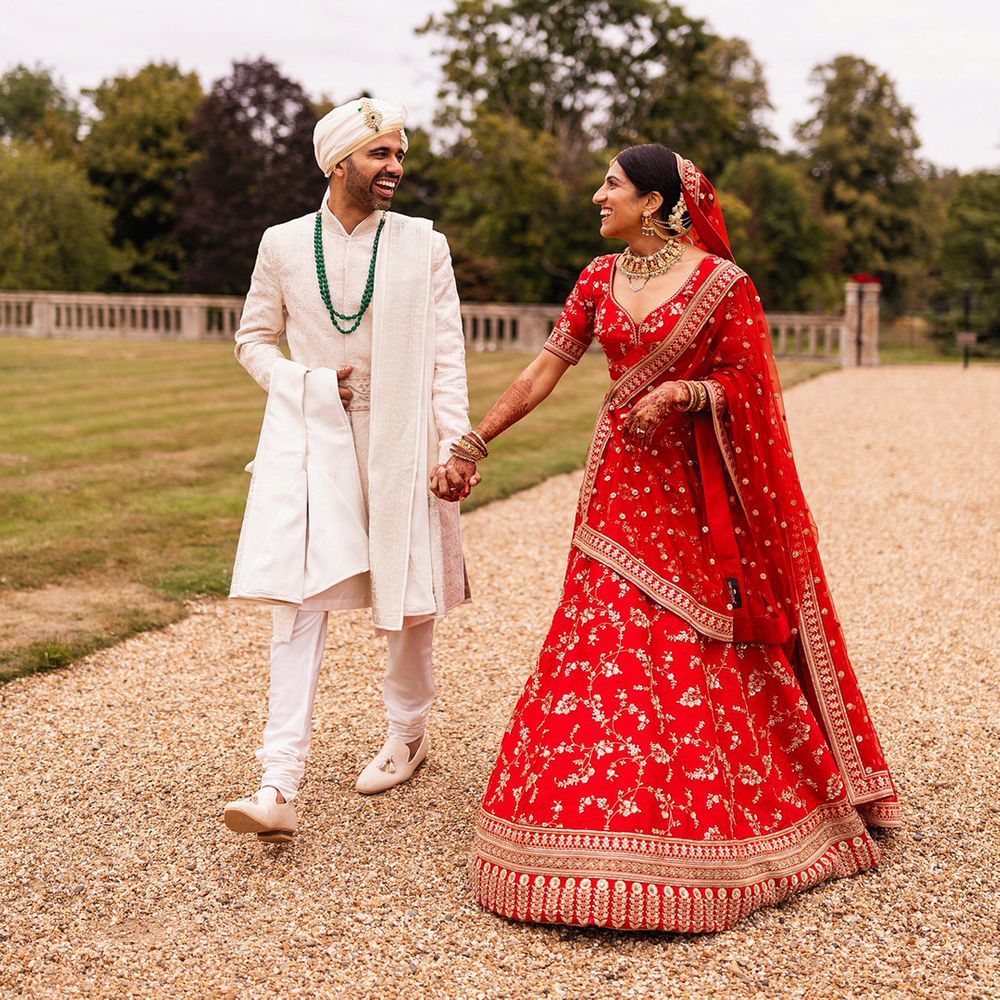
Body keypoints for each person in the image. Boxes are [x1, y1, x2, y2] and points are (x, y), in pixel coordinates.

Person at [434, 145, 900, 932]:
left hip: (696, 494)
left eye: (611, 185)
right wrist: (475, 442)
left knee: (694, 632)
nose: (597, 197)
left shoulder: (724, 285)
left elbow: (751, 387)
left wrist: (688, 392)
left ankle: (710, 817)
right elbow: (544, 371)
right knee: (601, 630)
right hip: (617, 485)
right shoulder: (596, 278)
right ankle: (582, 817)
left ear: (652, 201)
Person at [223, 97, 477, 843]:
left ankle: (407, 734)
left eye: (400, 154)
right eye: (380, 154)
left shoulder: (424, 245)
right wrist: (303, 382)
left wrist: (454, 446)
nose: (395, 167)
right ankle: (278, 781)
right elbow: (253, 340)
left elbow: (447, 354)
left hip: (405, 438)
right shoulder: (281, 244)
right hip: (317, 440)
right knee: (298, 601)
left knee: (409, 599)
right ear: (339, 163)